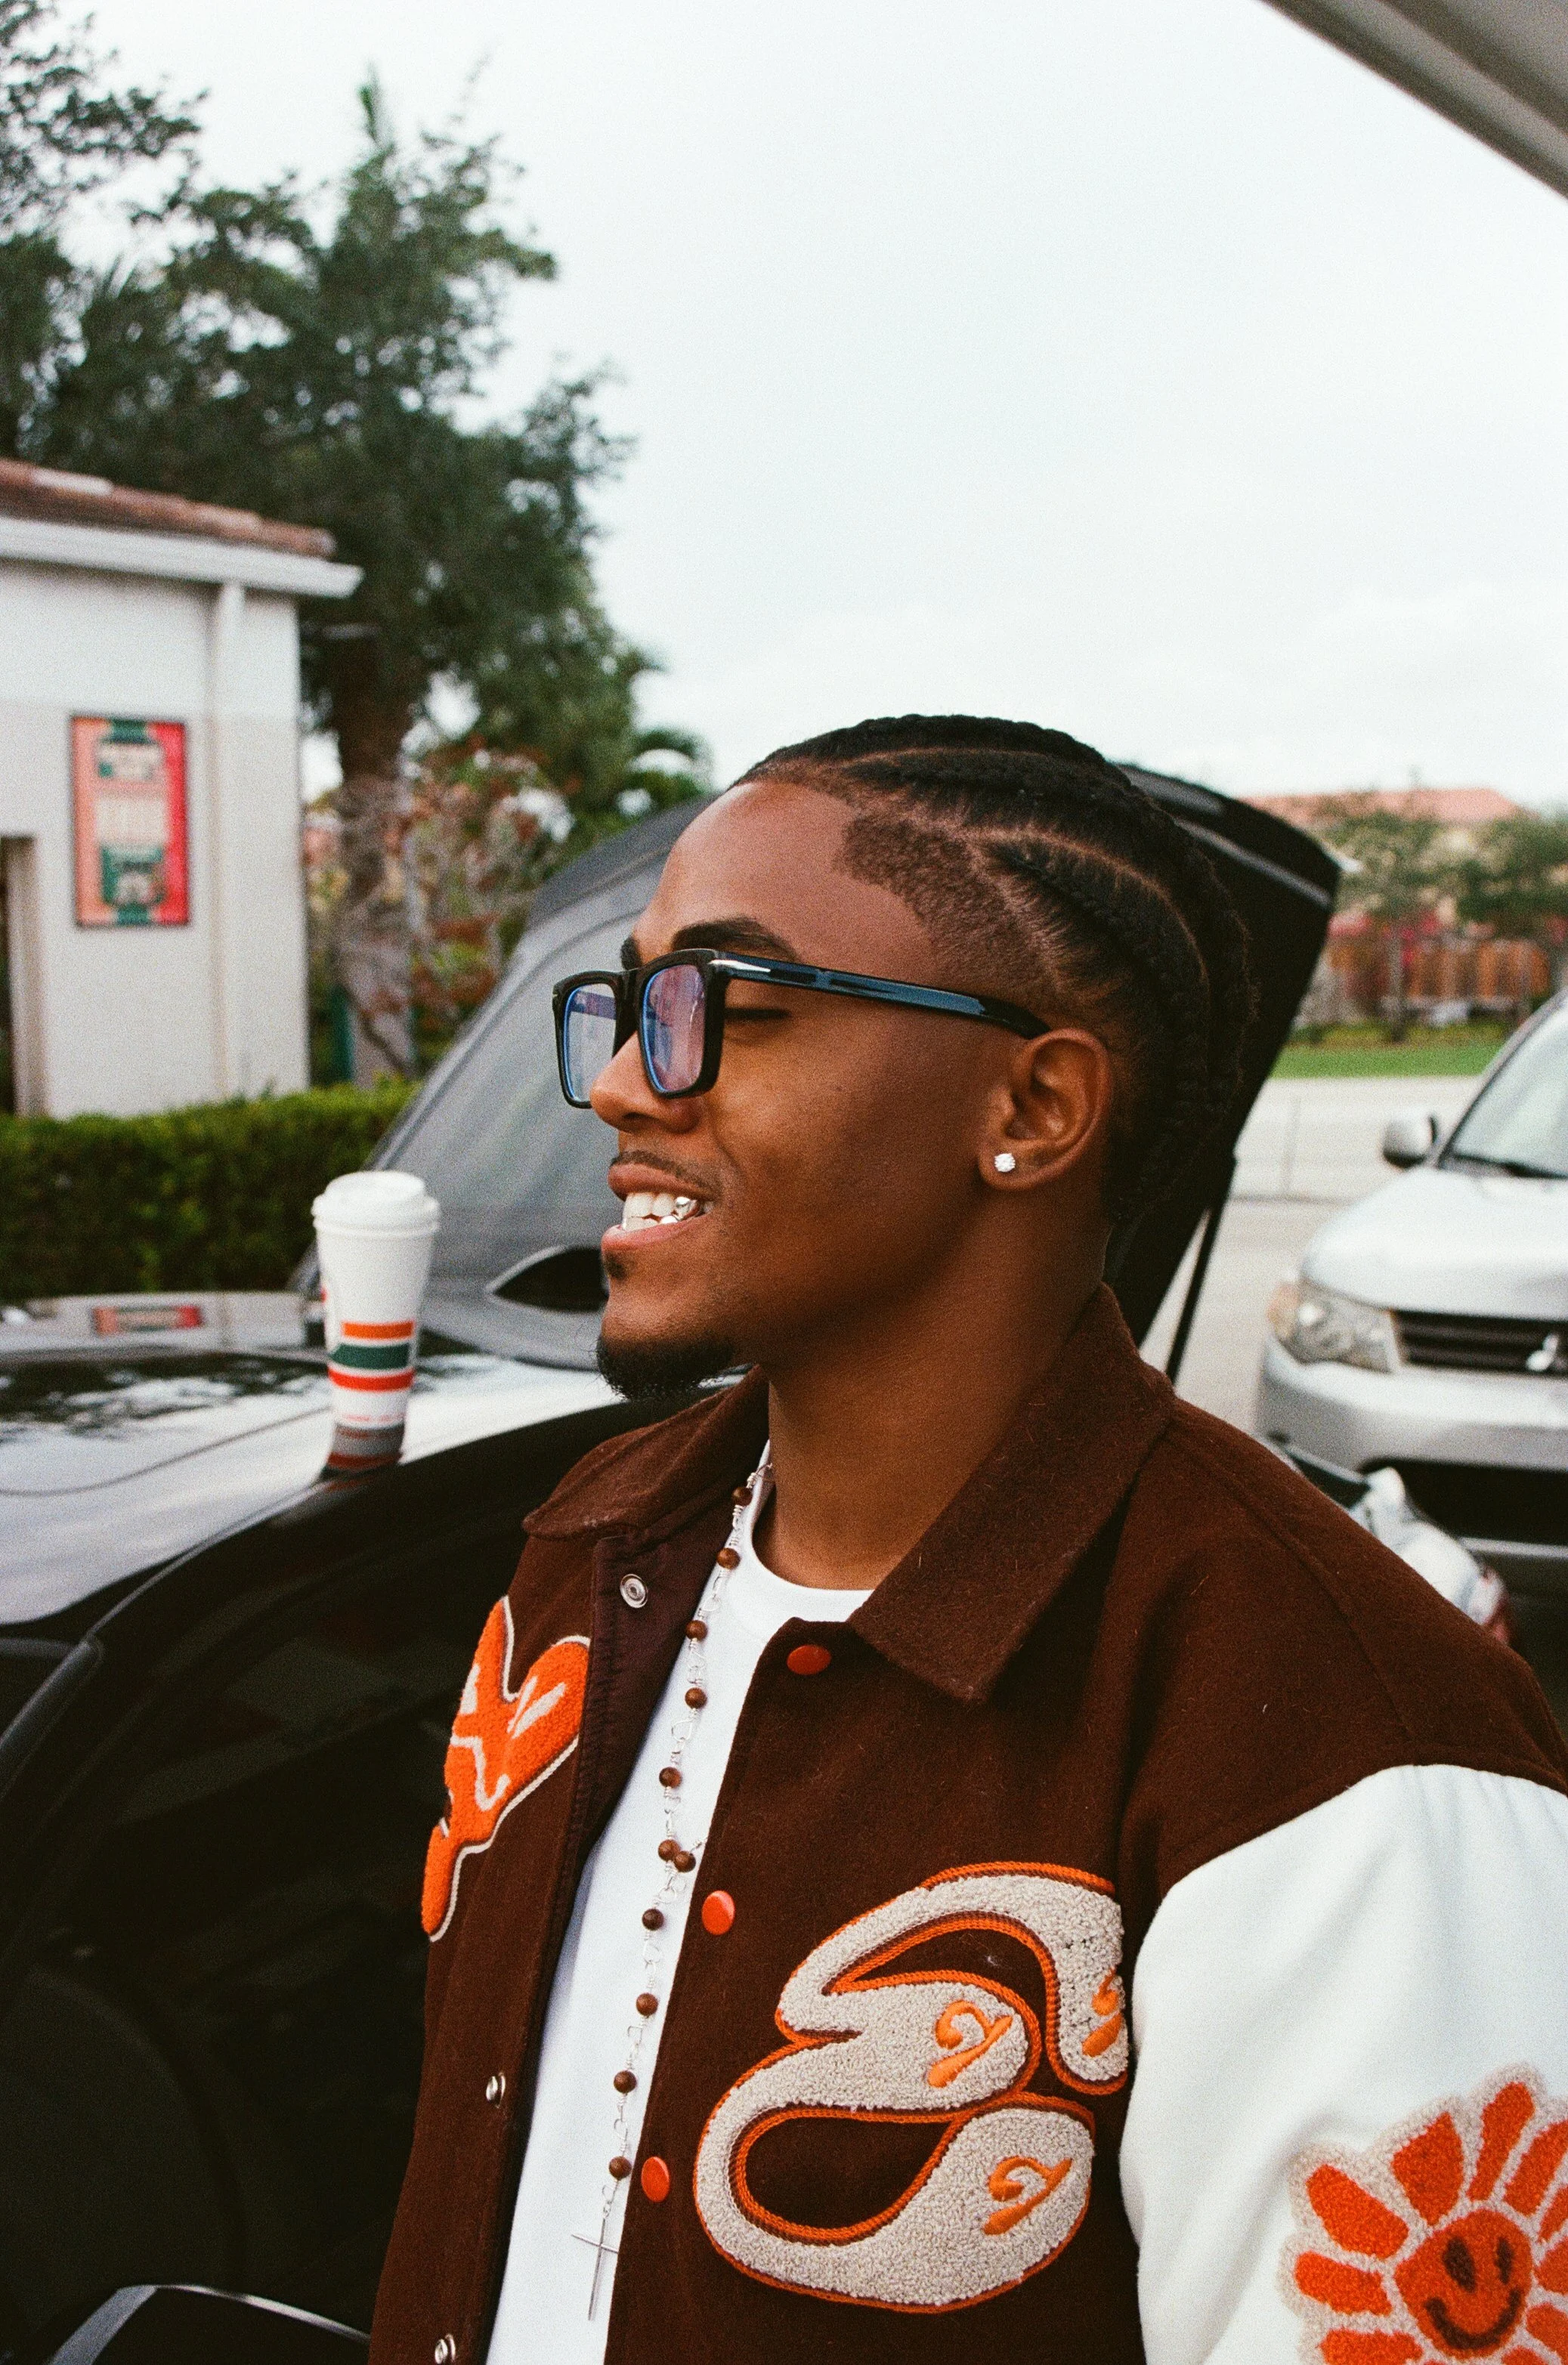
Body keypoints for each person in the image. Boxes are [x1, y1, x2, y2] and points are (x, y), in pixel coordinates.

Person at [371, 718, 1568, 2365]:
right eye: (631, 1004)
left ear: (1032, 1102)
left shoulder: (1347, 1740)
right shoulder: (589, 1553)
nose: (629, 1080)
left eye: (726, 1004)